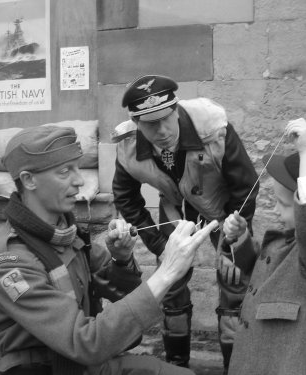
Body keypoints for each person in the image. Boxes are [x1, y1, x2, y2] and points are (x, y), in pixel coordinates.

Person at [0, 125, 218, 375]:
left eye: (78, 168)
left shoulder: (66, 234)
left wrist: (121, 259)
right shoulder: (10, 262)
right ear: (29, 180)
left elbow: (120, 292)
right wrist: (167, 271)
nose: (79, 181)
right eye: (64, 172)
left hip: (84, 362)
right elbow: (86, 342)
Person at [111, 74, 259, 371]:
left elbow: (246, 184)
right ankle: (176, 364)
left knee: (233, 281)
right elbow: (124, 195)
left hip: (224, 208)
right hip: (175, 210)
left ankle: (234, 366)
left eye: (167, 118)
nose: (162, 130)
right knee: (171, 284)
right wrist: (157, 244)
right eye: (151, 124)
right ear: (137, 124)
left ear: (176, 110)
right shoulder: (127, 145)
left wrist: (234, 232)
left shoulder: (213, 126)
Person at [221, 118, 306, 375]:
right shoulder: (284, 240)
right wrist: (239, 238)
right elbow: (256, 274)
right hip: (255, 354)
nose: (275, 208)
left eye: (284, 203)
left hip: (288, 360)